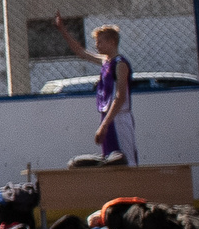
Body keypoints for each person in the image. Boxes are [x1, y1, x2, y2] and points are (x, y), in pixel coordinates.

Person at [52, 15, 136, 164]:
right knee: (109, 160)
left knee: (125, 160)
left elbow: (120, 96)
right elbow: (81, 52)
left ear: (112, 42)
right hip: (107, 116)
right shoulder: (106, 61)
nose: (96, 45)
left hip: (119, 117)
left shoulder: (120, 64)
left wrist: (104, 125)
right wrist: (63, 30)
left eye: (99, 41)